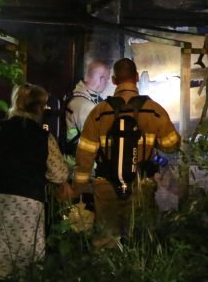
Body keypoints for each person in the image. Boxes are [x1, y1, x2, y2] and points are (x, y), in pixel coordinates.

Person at [71, 58, 181, 248]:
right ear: (137, 77)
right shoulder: (153, 110)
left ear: (114, 80)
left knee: (107, 240)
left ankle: (108, 263)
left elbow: (85, 155)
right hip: (141, 185)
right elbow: (171, 145)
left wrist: (78, 189)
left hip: (106, 186)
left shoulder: (99, 112)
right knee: (140, 239)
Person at [0, 83, 71, 281]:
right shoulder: (43, 137)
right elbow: (59, 173)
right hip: (27, 202)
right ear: (39, 108)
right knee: (25, 260)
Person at [65, 59, 111, 145]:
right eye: (107, 79)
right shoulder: (85, 105)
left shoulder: (83, 97)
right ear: (101, 79)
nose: (107, 83)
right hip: (78, 153)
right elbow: (95, 139)